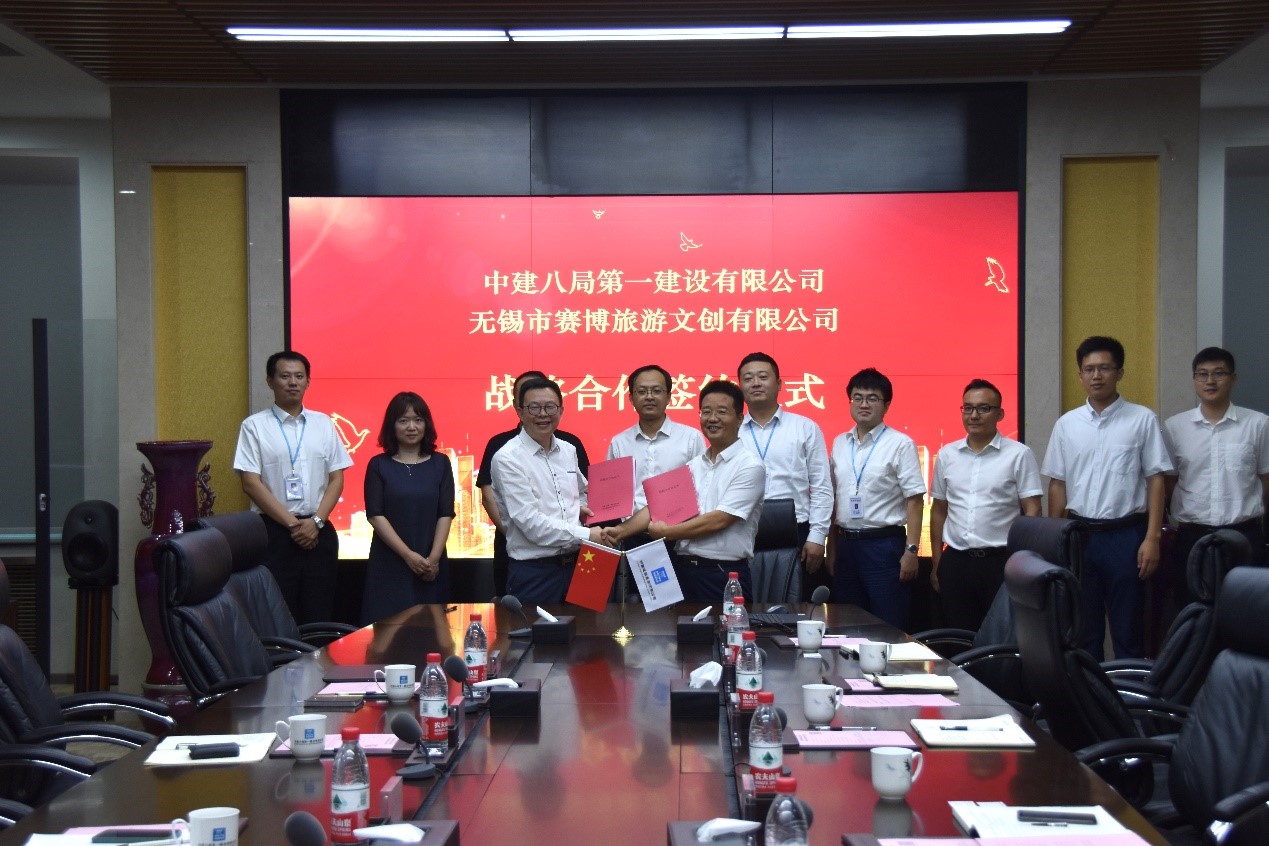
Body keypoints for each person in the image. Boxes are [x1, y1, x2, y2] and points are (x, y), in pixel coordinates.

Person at [1042, 336, 1172, 660]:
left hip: (1127, 537)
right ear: (1080, 375)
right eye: (1089, 369)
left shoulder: (1143, 419)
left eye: (1104, 368)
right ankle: (1090, 692)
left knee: (1129, 631)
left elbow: (1156, 480)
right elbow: (1057, 484)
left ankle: (1130, 693)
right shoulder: (1067, 424)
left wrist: (1153, 538)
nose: (1096, 376)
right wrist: (1055, 541)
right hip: (1079, 537)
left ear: (1119, 373)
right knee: (1083, 633)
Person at [604, 380, 765, 602]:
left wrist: (667, 532)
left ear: (739, 418)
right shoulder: (694, 465)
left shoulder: (750, 466)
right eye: (706, 412)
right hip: (683, 571)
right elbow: (657, 507)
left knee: (727, 626)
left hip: (723, 573)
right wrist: (620, 531)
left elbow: (718, 520)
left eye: (721, 412)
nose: (712, 418)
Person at [233, 351, 352, 624]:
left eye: (299, 376)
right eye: (285, 376)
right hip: (275, 533)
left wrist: (316, 521)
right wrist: (294, 525)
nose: (293, 382)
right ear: (270, 381)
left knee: (319, 614)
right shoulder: (254, 426)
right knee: (278, 615)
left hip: (319, 531)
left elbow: (337, 478)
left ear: (308, 381)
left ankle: (319, 655)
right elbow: (250, 482)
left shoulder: (323, 424)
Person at [929, 379, 1042, 630]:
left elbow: (1033, 510)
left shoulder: (1018, 454)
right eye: (968, 408)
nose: (974, 415)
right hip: (956, 561)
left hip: (1000, 562)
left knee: (1000, 635)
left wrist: (1023, 562)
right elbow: (938, 511)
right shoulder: (947, 455)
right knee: (958, 635)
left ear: (999, 414)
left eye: (983, 408)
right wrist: (937, 562)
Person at [1163, 347, 1269, 606]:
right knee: (1193, 612)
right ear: (1194, 379)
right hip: (1191, 537)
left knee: (1244, 612)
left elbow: (1266, 480)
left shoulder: (1258, 424)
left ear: (1233, 378)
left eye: (1219, 373)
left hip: (1244, 536)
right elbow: (1169, 483)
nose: (1210, 381)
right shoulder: (1175, 427)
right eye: (1202, 374)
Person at [491, 376, 604, 604]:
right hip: (535, 573)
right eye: (534, 407)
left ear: (561, 410)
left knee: (586, 626)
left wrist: (580, 508)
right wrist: (587, 534)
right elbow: (530, 523)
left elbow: (581, 491)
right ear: (520, 412)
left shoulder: (568, 450)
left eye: (550, 407)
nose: (543, 414)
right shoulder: (507, 458)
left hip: (580, 564)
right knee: (536, 628)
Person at [828, 368, 926, 629]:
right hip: (846, 546)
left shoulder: (900, 444)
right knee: (846, 624)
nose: (864, 404)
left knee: (887, 624)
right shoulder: (839, 443)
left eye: (872, 398)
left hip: (884, 546)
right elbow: (834, 499)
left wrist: (912, 550)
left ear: (886, 405)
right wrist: (832, 548)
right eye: (857, 397)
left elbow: (915, 500)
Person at [736, 353, 833, 602]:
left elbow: (821, 486)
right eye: (748, 378)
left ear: (779, 384)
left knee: (795, 608)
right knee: (744, 604)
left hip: (796, 534)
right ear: (740, 386)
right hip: (743, 529)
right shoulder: (732, 431)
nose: (755, 383)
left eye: (762, 376)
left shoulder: (805, 427)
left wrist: (817, 536)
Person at [606, 364, 706, 595]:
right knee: (635, 607)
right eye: (642, 391)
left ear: (669, 396)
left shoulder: (691, 438)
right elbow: (612, 496)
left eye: (656, 390)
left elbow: (699, 490)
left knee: (676, 607)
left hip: (677, 539)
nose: (649, 396)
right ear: (631, 398)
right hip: (632, 538)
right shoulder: (619, 442)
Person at [360, 392, 455, 624]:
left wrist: (433, 559)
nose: (411, 427)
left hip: (431, 562)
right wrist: (408, 556)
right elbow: (375, 515)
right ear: (392, 426)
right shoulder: (378, 465)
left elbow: (445, 513)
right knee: (388, 631)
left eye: (418, 420)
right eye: (403, 421)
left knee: (432, 631)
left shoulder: (441, 463)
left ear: (426, 424)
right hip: (391, 561)